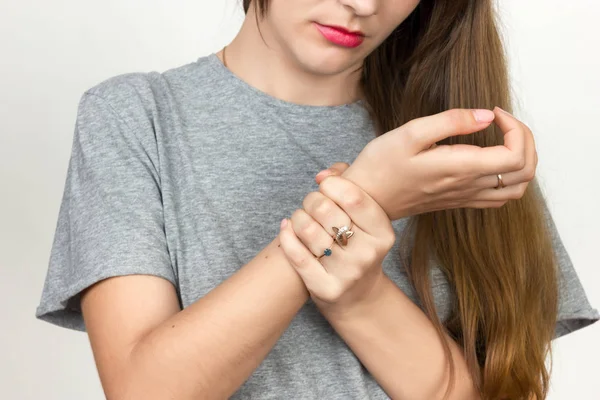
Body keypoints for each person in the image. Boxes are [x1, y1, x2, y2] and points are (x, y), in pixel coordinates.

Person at [36, 0, 599, 399]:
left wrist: (359, 295)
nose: (361, 4)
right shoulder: (136, 116)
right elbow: (146, 391)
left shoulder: (455, 141)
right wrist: (364, 200)